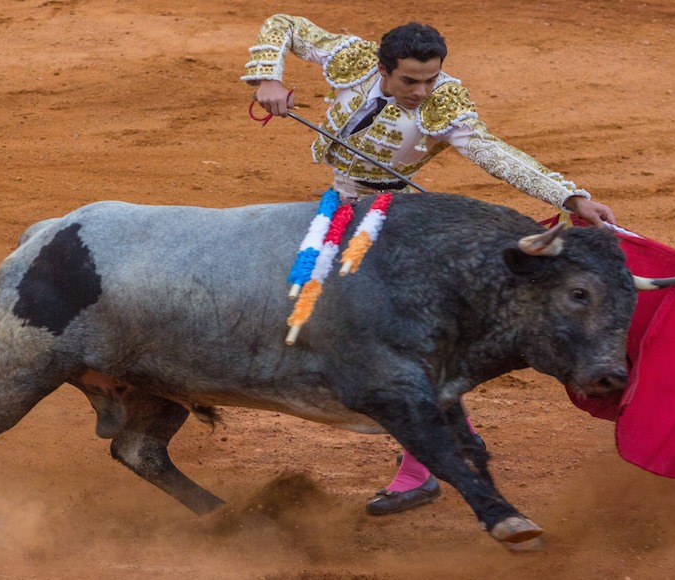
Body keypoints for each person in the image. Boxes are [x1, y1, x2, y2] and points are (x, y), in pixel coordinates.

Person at [243, 15, 616, 516]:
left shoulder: (445, 103)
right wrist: (266, 78)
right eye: (410, 81)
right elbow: (284, 24)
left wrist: (569, 197)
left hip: (396, 222)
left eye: (430, 79)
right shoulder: (352, 58)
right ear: (383, 69)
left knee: (396, 342)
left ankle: (422, 465)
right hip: (340, 207)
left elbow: (494, 153)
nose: (421, 91)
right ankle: (452, 440)